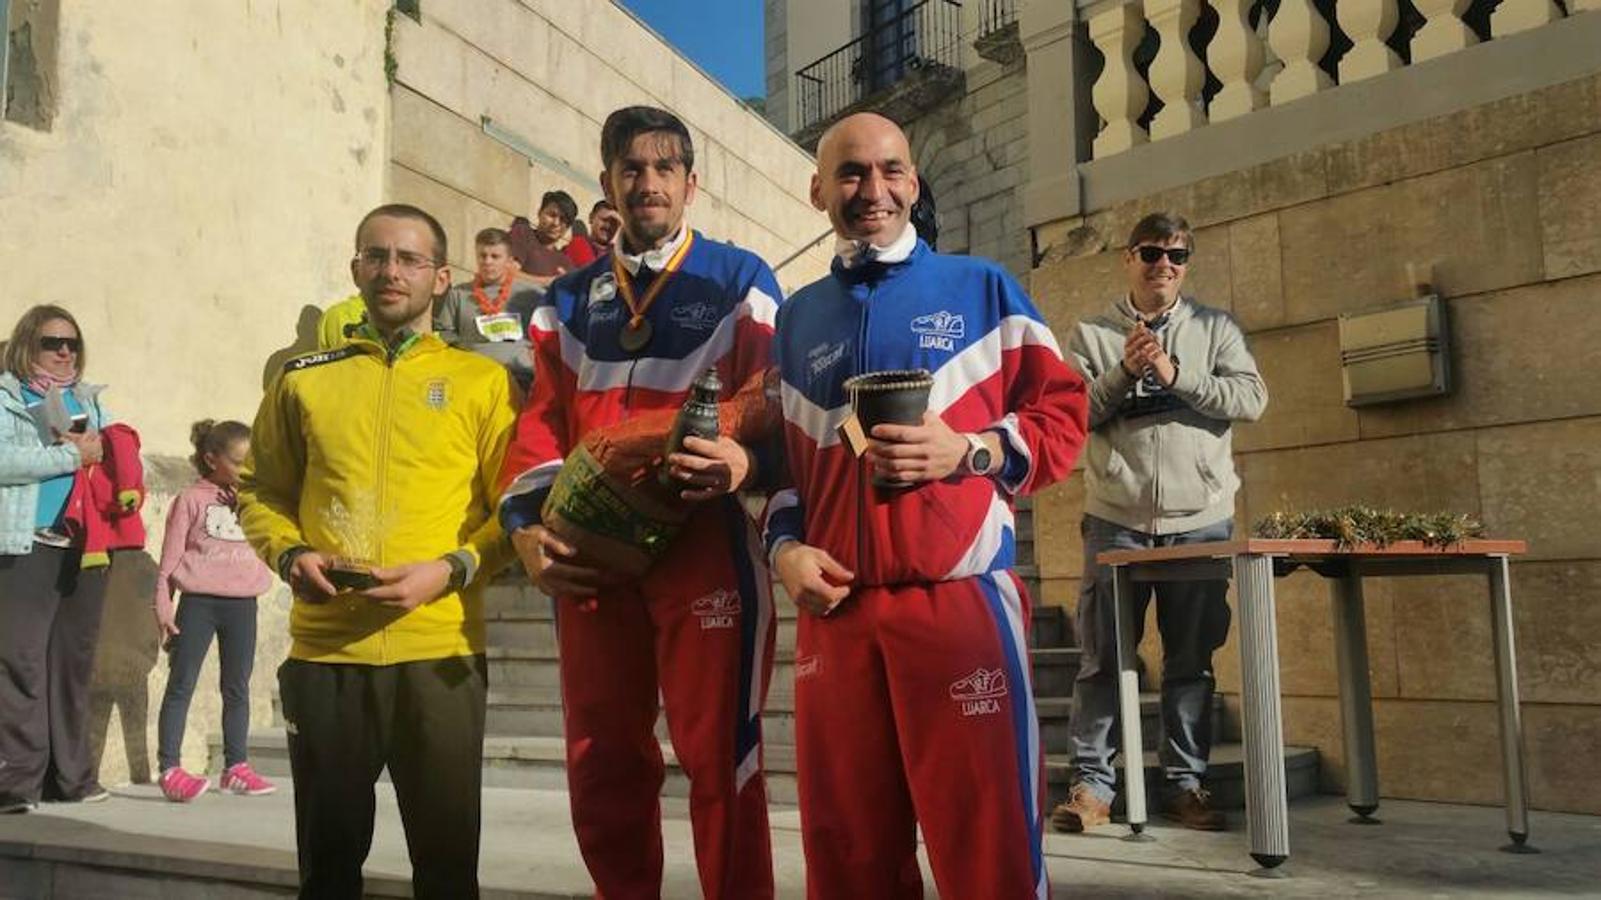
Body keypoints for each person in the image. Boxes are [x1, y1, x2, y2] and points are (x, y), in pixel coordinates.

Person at [764, 112, 1088, 898]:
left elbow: (1064, 415)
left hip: (959, 607)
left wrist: (971, 450)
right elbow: (780, 466)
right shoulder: (798, 317)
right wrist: (783, 551)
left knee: (988, 849)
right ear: (817, 191)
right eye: (850, 174)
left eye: (889, 171)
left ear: (913, 182)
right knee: (846, 853)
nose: (871, 190)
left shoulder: (982, 288)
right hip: (837, 617)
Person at [498, 105, 782, 900]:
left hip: (702, 541)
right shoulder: (565, 297)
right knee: (601, 758)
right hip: (590, 549)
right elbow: (541, 420)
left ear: (692, 184)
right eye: (631, 168)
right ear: (607, 184)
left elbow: (772, 396)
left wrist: (744, 460)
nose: (647, 182)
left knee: (721, 757)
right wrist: (525, 526)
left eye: (664, 169)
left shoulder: (739, 279)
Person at [238, 203, 519, 899]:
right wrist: (288, 554)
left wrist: (451, 570)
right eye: (376, 255)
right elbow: (258, 491)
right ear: (356, 267)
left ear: (441, 278)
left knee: (448, 872)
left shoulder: (481, 382)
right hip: (328, 653)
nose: (391, 271)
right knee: (327, 872)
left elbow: (515, 511)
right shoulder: (303, 377)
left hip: (442, 654)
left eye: (409, 259)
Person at [1050, 211, 1268, 835]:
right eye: (1150, 253)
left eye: (1177, 255)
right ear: (1128, 258)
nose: (1163, 265)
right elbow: (1074, 417)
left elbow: (1251, 398)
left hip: (1200, 521)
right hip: (1115, 520)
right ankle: (1092, 789)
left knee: (1190, 661)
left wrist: (1177, 376)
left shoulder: (1215, 329)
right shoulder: (1091, 335)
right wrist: (1123, 371)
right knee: (1101, 659)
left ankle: (1186, 785)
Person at [0, 305, 116, 813]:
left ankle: (70, 778)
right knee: (19, 661)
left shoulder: (89, 400)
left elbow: (112, 459)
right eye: (52, 342)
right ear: (29, 343)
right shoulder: (7, 397)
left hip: (86, 549)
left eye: (72, 342)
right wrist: (70, 457)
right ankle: (17, 783)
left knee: (73, 665)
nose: (65, 351)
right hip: (26, 544)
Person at [152, 419, 276, 803]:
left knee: (236, 686)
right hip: (199, 603)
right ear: (211, 459)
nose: (247, 469)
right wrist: (162, 605)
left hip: (243, 605)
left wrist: (248, 504)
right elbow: (170, 559)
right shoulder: (190, 499)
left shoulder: (257, 499)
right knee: (181, 683)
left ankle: (235, 767)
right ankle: (170, 768)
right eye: (239, 462)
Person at [433, 227, 543, 388]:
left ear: (509, 261)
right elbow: (443, 335)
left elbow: (550, 336)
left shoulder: (531, 295)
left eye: (495, 256)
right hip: (473, 380)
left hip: (520, 380)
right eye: (482, 256)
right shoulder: (458, 294)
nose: (487, 262)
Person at [511, 190, 593, 285]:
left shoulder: (566, 263)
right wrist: (549, 282)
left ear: (567, 227)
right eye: (552, 215)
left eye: (563, 220)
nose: (556, 223)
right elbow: (508, 274)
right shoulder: (524, 234)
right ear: (539, 213)